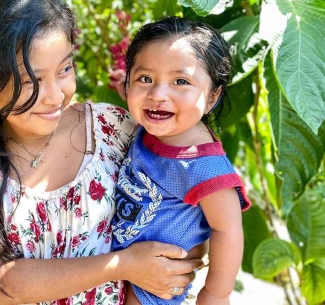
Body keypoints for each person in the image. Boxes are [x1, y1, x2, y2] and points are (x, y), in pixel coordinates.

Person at [0, 2, 205, 305]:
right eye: (29, 81)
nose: (55, 96)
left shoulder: (114, 131)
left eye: (65, 69)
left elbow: (182, 222)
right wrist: (125, 264)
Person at [110, 16, 252, 305]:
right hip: (114, 266)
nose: (157, 95)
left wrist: (215, 294)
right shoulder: (159, 127)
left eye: (181, 81)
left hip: (152, 288)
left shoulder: (204, 166)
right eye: (145, 78)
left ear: (213, 96)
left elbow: (228, 230)